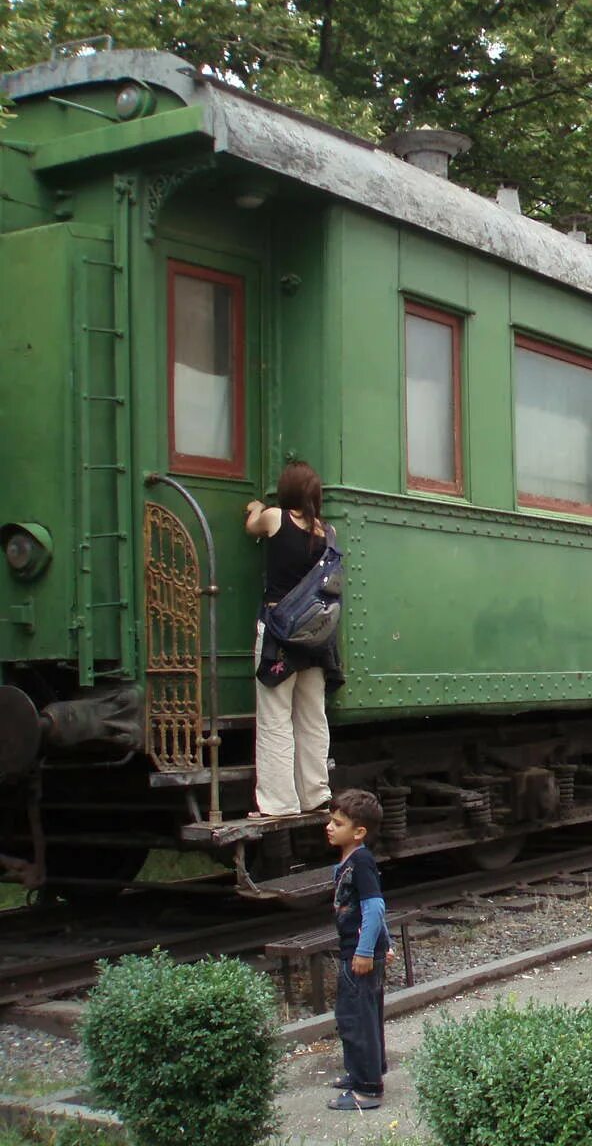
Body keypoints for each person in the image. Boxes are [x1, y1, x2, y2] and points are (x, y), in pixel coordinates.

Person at [245, 461, 342, 818]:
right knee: (313, 716)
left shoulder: (275, 518)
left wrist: (254, 507)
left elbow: (251, 525)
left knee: (274, 717)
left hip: (280, 634)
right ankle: (316, 793)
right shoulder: (326, 532)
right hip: (315, 640)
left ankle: (279, 802)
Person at [324, 789, 391, 1111]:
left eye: (337, 823)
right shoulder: (353, 860)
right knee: (364, 1014)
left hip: (358, 954)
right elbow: (373, 906)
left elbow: (375, 908)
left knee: (355, 1018)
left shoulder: (361, 861)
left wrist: (366, 952)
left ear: (359, 832)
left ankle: (367, 1089)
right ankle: (365, 1071)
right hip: (363, 949)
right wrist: (386, 945)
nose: (329, 827)